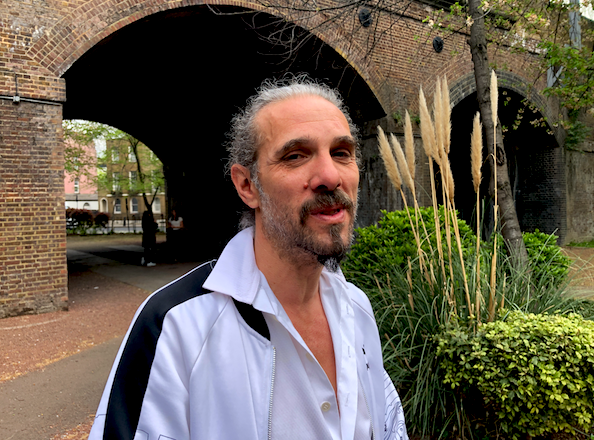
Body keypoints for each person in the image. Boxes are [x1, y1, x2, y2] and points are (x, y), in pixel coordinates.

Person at [89, 76, 409, 440]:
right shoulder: (176, 326)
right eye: (295, 155)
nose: (330, 176)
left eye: (341, 152)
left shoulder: (357, 308)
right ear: (247, 185)